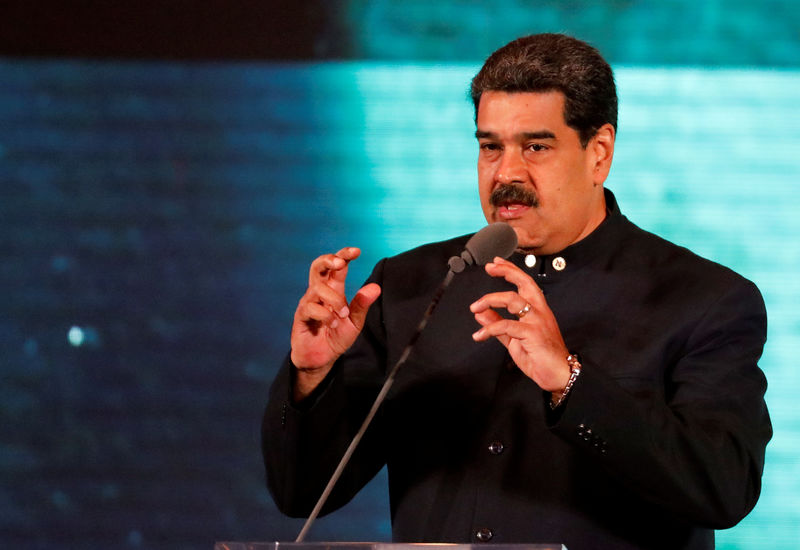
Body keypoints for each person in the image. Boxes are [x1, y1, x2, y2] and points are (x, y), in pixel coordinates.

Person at [262, 33, 771, 550]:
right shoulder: (409, 287)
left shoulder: (704, 300)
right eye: (490, 147)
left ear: (599, 154)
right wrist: (312, 377)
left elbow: (724, 488)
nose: (507, 173)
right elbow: (300, 492)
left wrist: (570, 382)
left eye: (536, 146)